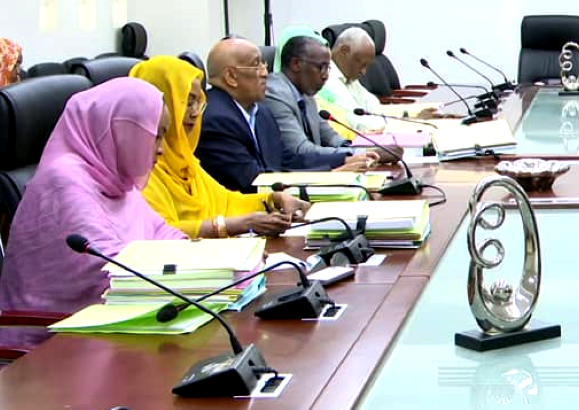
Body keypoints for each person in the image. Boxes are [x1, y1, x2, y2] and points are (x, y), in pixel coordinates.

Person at [0, 78, 186, 328]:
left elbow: (160, 231)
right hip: (53, 342)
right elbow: (108, 269)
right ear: (123, 129)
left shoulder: (114, 176)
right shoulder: (64, 182)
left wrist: (212, 259)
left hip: (117, 321)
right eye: (156, 136)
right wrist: (187, 271)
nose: (161, 149)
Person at [130, 56, 310, 239]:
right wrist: (235, 225)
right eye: (187, 102)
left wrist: (274, 200)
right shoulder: (143, 168)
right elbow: (161, 232)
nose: (194, 113)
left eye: (198, 102)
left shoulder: (185, 161)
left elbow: (226, 201)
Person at [195, 37, 375, 193]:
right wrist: (330, 176)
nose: (265, 72)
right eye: (256, 65)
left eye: (264, 64)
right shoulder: (215, 119)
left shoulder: (261, 112)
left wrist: (344, 159)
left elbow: (286, 159)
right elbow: (252, 181)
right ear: (231, 77)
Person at [265, 35, 397, 161]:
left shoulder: (305, 92)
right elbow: (300, 150)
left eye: (328, 68)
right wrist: (361, 154)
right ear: (296, 64)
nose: (325, 76)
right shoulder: (275, 94)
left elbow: (330, 137)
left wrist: (365, 150)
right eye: (321, 67)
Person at [316, 27, 388, 132]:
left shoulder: (348, 77)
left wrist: (378, 119)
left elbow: (372, 103)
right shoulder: (326, 79)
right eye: (361, 64)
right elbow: (354, 121)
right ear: (344, 51)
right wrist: (380, 121)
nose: (363, 72)